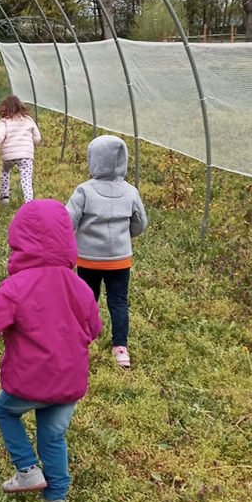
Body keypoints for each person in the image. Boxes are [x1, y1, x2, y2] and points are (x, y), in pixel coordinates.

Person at [0, 200, 101, 502]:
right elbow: (95, 328)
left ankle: (28, 470)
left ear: (19, 242)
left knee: (3, 411)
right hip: (70, 381)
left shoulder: (16, 287)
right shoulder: (81, 286)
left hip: (28, 382)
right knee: (53, 435)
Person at [66, 134, 148, 369]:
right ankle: (121, 348)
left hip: (88, 259)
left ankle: (81, 341)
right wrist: (124, 235)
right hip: (119, 261)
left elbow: (68, 220)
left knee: (86, 299)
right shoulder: (131, 191)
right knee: (119, 301)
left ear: (93, 160)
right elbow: (140, 223)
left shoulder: (84, 191)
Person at [0, 95, 42, 205]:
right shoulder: (28, 120)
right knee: (26, 179)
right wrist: (31, 143)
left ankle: (5, 197)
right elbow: (37, 138)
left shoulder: (4, 122)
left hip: (9, 156)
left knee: (5, 172)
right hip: (26, 156)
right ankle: (29, 202)